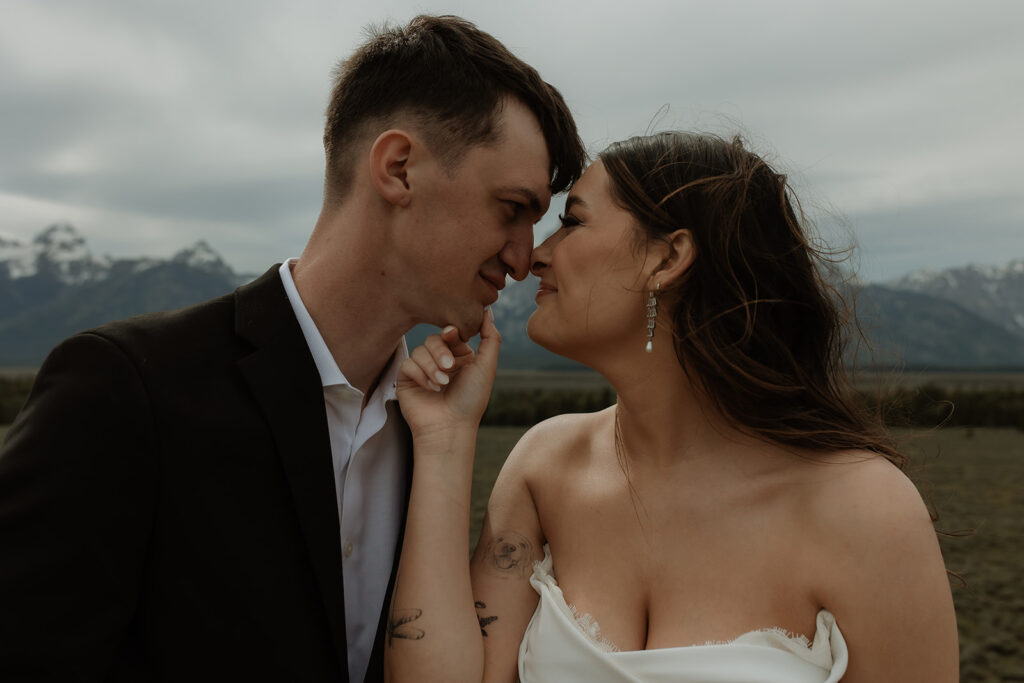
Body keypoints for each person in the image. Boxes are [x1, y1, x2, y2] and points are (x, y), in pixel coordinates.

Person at [0, 15, 584, 682]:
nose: (521, 257)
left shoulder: (436, 431)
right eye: (512, 207)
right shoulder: (124, 388)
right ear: (399, 168)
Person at [387, 132, 960, 682]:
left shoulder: (865, 509)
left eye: (573, 222)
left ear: (668, 259)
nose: (536, 254)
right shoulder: (545, 466)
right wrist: (444, 441)